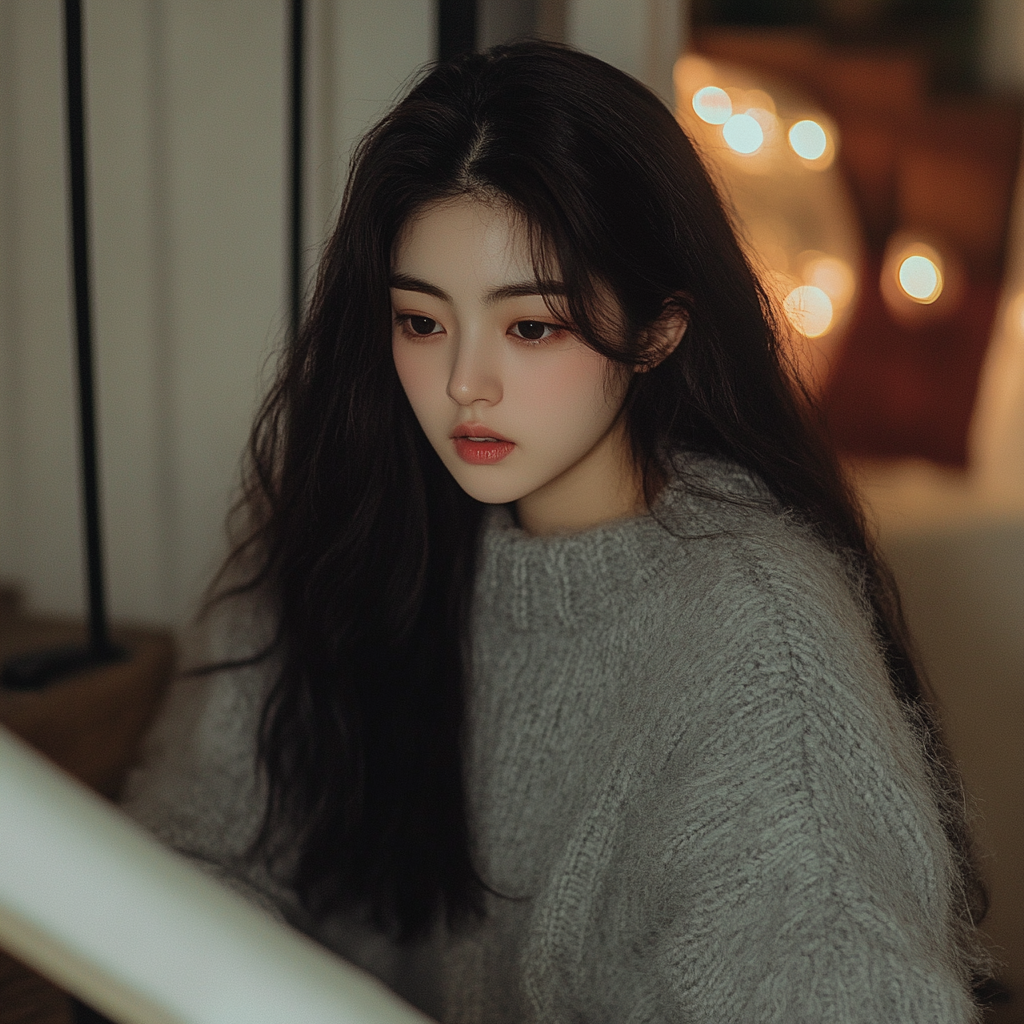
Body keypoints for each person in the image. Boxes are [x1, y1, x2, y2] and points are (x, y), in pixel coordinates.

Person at [121, 40, 993, 1022]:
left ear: (660, 330)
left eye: (531, 328)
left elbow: (839, 986)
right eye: (421, 322)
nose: (464, 385)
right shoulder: (357, 527)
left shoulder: (757, 635)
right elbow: (182, 867)